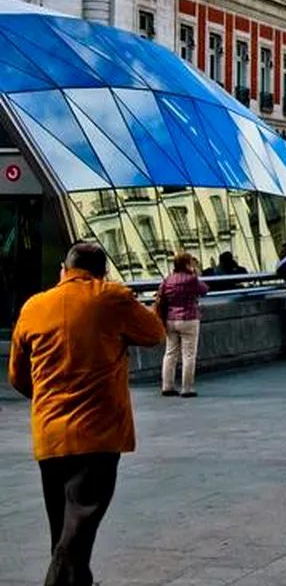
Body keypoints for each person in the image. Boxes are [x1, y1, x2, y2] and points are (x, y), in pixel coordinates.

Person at [8, 242, 166, 585]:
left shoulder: (34, 306)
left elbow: (17, 376)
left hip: (50, 434)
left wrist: (49, 398)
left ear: (63, 271)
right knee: (79, 524)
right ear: (103, 272)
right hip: (98, 432)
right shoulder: (111, 297)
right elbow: (155, 333)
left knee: (64, 524)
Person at [157, 253, 209, 398]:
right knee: (188, 354)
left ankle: (167, 386)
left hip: (170, 319)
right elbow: (204, 289)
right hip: (189, 319)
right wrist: (195, 273)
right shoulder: (191, 279)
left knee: (170, 353)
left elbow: (161, 294)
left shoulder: (168, 279)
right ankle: (187, 388)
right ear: (187, 263)